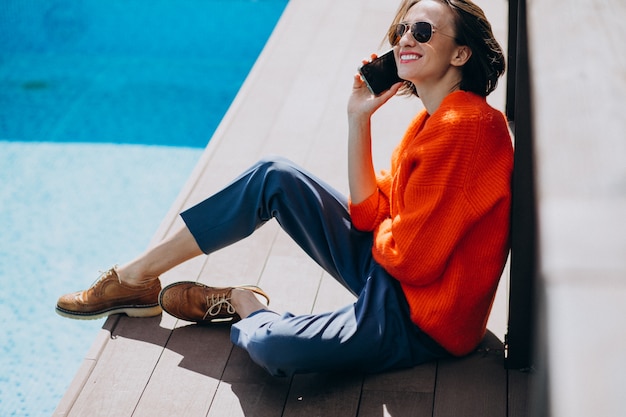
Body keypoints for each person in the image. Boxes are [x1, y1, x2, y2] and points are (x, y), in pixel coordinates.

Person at [56, 0, 513, 377]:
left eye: (423, 30)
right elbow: (369, 216)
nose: (405, 40)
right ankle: (135, 278)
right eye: (400, 30)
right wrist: (358, 119)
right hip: (393, 275)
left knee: (276, 348)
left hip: (418, 318)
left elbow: (412, 262)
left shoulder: (464, 128)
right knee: (274, 174)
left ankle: (242, 302)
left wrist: (390, 222)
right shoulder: (433, 121)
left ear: (461, 54)